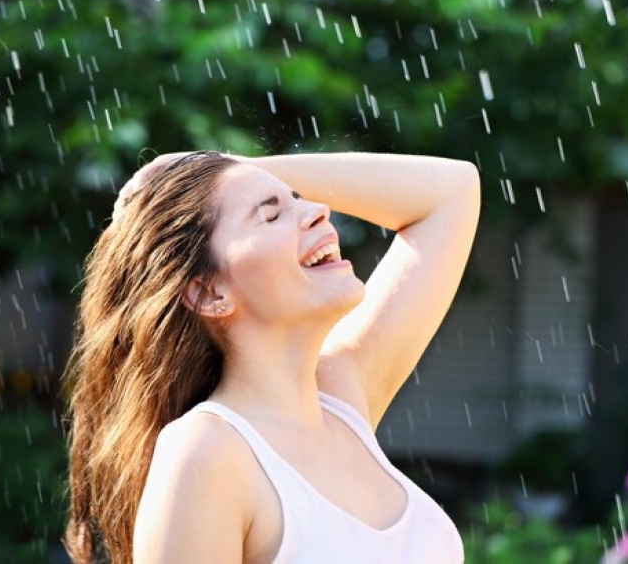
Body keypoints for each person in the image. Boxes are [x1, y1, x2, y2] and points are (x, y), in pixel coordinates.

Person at [63, 150, 480, 564]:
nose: (319, 210)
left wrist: (237, 165)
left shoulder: (341, 398)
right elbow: (450, 195)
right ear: (209, 293)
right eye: (271, 215)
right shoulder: (207, 452)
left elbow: (453, 189)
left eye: (299, 199)